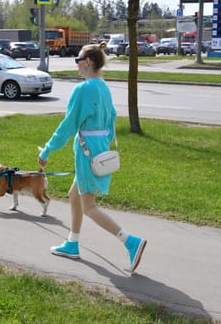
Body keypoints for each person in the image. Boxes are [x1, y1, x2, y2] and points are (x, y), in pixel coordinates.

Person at [38, 41, 147, 273]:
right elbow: (112, 118)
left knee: (89, 206)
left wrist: (47, 150)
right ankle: (72, 243)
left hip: (87, 153)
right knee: (74, 195)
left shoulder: (83, 89)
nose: (76, 64)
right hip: (98, 149)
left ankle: (130, 242)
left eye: (78, 60)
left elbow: (68, 125)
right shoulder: (103, 86)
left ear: (87, 62)